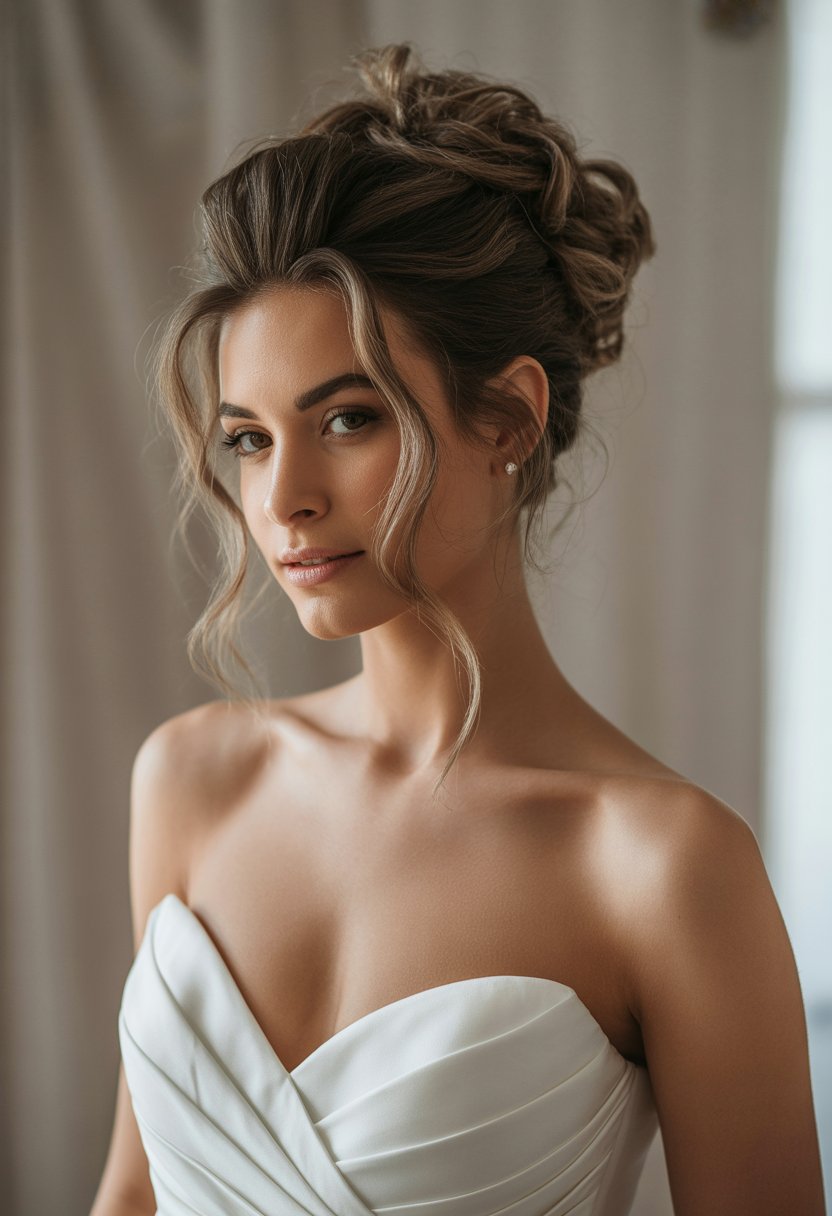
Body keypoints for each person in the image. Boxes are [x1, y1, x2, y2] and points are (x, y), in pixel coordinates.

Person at [90, 41, 826, 1216]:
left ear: (509, 417)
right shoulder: (190, 779)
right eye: (248, 437)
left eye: (346, 417)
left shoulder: (664, 869)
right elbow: (130, 1194)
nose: (281, 501)